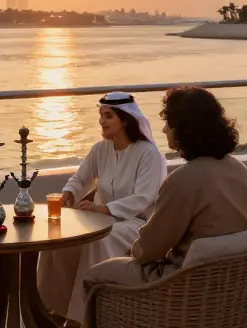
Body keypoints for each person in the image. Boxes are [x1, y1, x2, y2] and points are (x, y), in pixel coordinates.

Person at [83, 86, 247, 305]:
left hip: (184, 282)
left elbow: (149, 249)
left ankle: (91, 319)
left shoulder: (183, 180)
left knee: (95, 275)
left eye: (168, 123)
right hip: (234, 282)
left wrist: (131, 250)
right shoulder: (240, 170)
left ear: (183, 128)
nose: (164, 129)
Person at [38, 92, 168, 323]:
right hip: (100, 219)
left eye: (108, 116)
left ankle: (83, 319)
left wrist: (104, 209)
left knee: (97, 240)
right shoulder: (100, 149)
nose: (101, 121)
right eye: (101, 115)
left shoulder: (149, 154)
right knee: (59, 239)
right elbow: (81, 179)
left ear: (125, 119)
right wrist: (69, 192)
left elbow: (143, 198)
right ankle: (51, 309)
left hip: (136, 224)